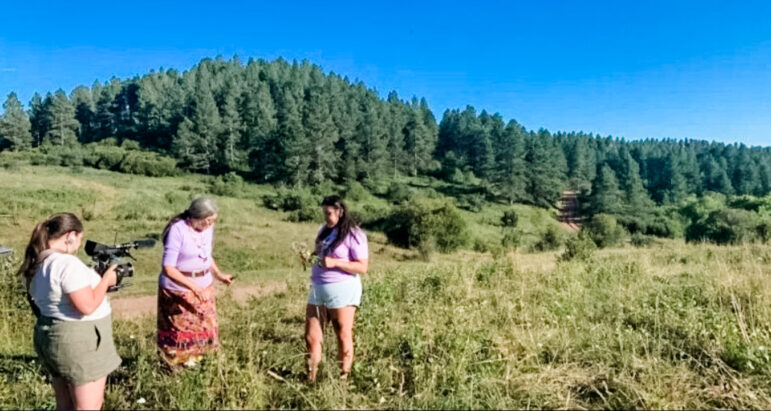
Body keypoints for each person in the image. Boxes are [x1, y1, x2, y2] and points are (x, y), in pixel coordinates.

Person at [18, 213, 121, 410]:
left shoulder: (35, 263)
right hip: (80, 341)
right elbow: (87, 306)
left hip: (51, 335)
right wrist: (106, 280)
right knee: (88, 406)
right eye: (79, 240)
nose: (78, 247)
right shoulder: (65, 263)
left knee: (64, 404)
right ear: (70, 236)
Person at [157, 197, 233, 369]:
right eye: (208, 220)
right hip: (178, 292)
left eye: (213, 220)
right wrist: (193, 287)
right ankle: (176, 370)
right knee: (178, 334)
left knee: (206, 328)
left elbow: (206, 254)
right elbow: (168, 268)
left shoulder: (207, 228)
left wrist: (219, 274)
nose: (211, 224)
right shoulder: (178, 230)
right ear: (197, 217)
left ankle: (202, 365)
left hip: (204, 287)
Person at [305, 195, 369, 382]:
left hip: (343, 290)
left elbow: (362, 267)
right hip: (318, 288)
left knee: (342, 333)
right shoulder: (323, 230)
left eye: (329, 213)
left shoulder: (354, 234)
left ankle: (343, 378)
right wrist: (310, 257)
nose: (325, 216)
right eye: (324, 212)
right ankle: (311, 378)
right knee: (311, 335)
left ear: (340, 212)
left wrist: (335, 263)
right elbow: (320, 255)